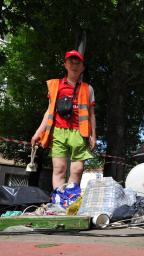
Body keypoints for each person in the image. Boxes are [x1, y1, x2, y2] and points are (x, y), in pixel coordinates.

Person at [31, 50, 96, 196]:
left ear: (82, 67)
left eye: (78, 62)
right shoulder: (55, 85)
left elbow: (92, 115)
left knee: (77, 169)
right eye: (71, 62)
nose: (74, 65)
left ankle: (71, 199)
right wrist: (37, 133)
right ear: (65, 64)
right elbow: (48, 111)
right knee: (59, 168)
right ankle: (59, 201)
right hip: (59, 131)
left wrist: (93, 135)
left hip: (80, 132)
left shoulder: (88, 88)